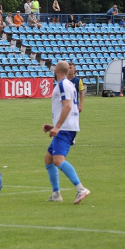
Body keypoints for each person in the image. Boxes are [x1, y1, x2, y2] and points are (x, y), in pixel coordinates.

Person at [43, 61, 90, 204]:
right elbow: (70, 107)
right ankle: (56, 194)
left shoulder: (63, 84)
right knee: (49, 159)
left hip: (65, 129)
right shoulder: (69, 84)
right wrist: (53, 125)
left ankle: (81, 189)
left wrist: (57, 127)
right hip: (68, 126)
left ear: (56, 70)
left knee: (58, 160)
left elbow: (68, 106)